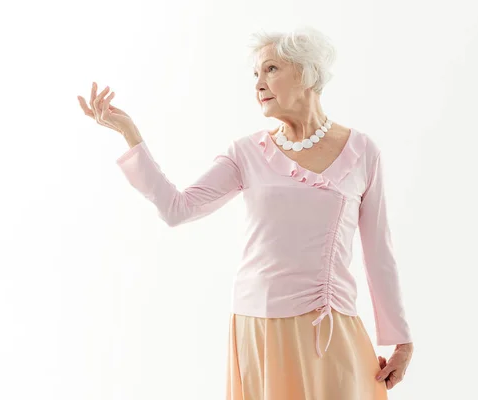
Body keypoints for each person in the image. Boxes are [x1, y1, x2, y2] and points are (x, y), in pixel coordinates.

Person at [78, 26, 414, 400]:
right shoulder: (246, 153)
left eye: (270, 69)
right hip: (261, 329)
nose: (259, 83)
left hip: (332, 328)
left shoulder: (363, 152)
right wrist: (129, 133)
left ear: (307, 73)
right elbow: (177, 209)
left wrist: (400, 341)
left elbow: (379, 252)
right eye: (255, 74)